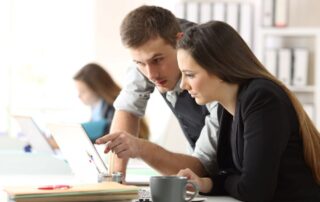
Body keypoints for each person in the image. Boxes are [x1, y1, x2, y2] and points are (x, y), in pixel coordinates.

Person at [175, 21, 320, 201]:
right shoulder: (227, 106)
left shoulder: (261, 98)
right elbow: (235, 175)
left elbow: (254, 191)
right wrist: (205, 183)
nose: (182, 85)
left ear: (219, 69)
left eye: (189, 74)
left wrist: (227, 179)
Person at [95, 5, 219, 179]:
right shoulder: (148, 54)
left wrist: (141, 148)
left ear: (179, 41)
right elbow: (127, 109)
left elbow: (203, 167)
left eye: (158, 60)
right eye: (139, 63)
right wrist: (116, 179)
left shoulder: (212, 69)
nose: (151, 74)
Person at [74, 63, 149, 141]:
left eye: (83, 91)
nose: (79, 96)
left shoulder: (117, 106)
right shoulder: (96, 108)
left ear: (96, 88)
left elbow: (107, 130)